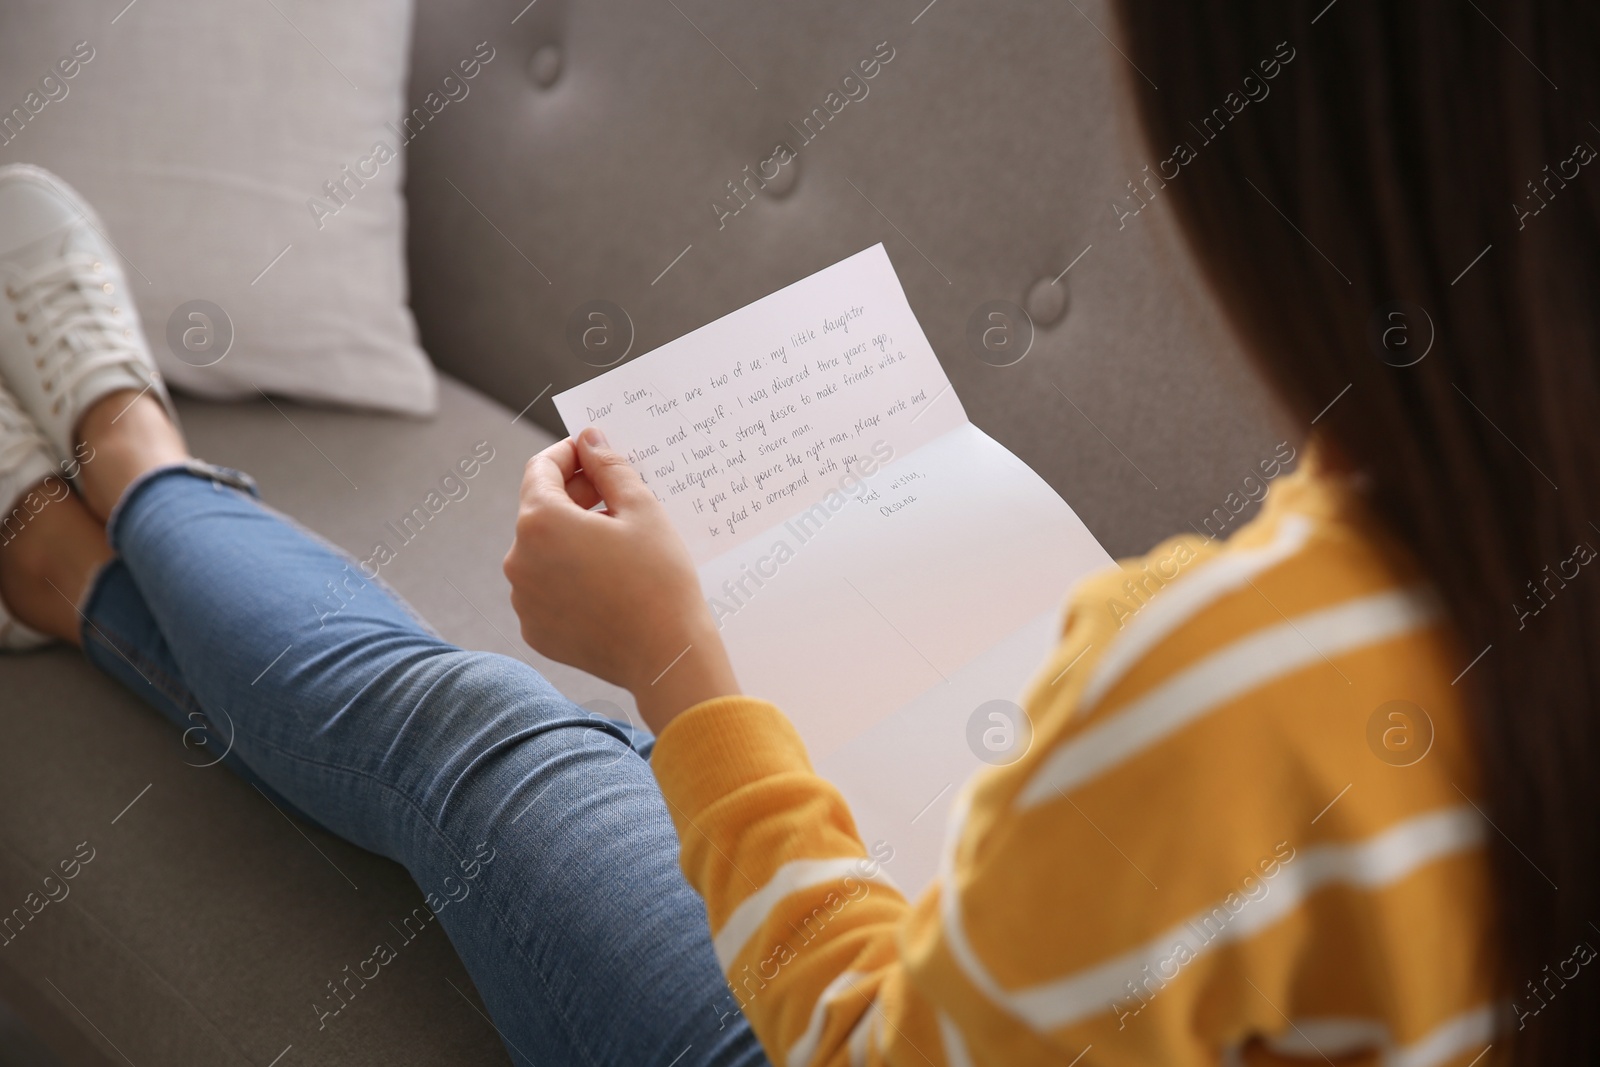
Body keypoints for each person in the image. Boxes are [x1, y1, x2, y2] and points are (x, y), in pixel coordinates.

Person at [0, 2, 1592, 1064]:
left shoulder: (1229, 676)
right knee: (629, 784)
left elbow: (864, 1040)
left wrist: (678, 661)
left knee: (494, 731)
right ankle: (69, 567)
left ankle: (122, 446)